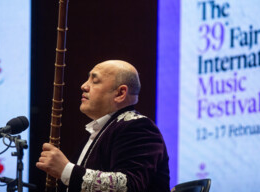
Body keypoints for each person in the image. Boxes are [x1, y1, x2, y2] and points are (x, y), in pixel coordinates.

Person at [36, 60, 170, 191]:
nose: (83, 86)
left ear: (120, 93)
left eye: (94, 81)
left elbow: (130, 185)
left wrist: (66, 170)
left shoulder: (139, 127)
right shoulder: (101, 129)